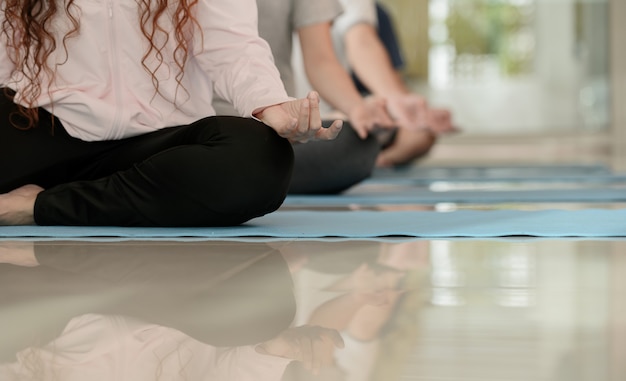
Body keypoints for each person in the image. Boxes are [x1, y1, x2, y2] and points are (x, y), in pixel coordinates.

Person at [0, 0, 342, 227]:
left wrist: (270, 104)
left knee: (259, 155)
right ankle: (125, 199)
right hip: (43, 125)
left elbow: (233, 46)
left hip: (158, 145)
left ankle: (40, 205)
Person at [214, 0, 404, 194]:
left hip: (274, 128)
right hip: (201, 122)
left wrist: (358, 109)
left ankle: (235, 176)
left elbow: (321, 60)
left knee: (358, 145)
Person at [294, 0, 458, 168]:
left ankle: (381, 158)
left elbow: (324, 59)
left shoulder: (372, 13)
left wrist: (397, 104)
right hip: (280, 126)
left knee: (417, 133)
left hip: (327, 121)